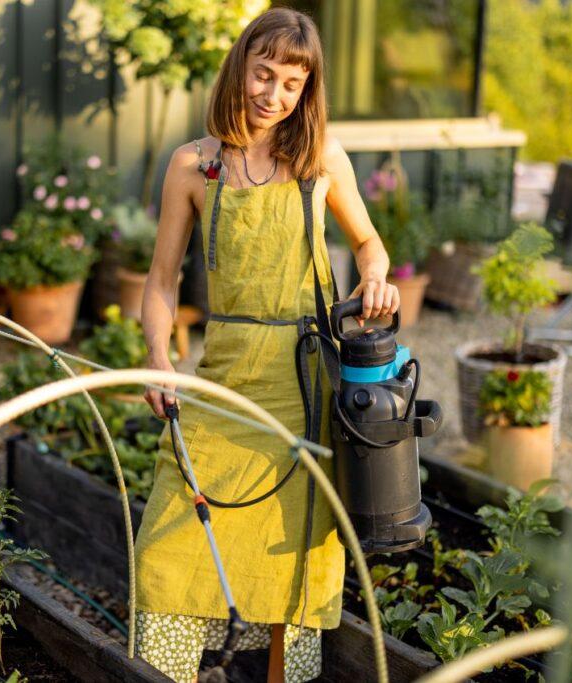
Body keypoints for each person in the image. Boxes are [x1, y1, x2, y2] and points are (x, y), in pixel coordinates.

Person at [135, 7, 400, 682]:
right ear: (240, 67)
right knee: (167, 552)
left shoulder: (320, 160)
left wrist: (375, 278)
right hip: (222, 381)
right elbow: (161, 281)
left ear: (307, 89)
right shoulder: (194, 166)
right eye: (263, 74)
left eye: (292, 83)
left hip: (303, 389)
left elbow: (370, 244)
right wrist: (159, 360)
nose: (273, 95)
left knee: (294, 568)